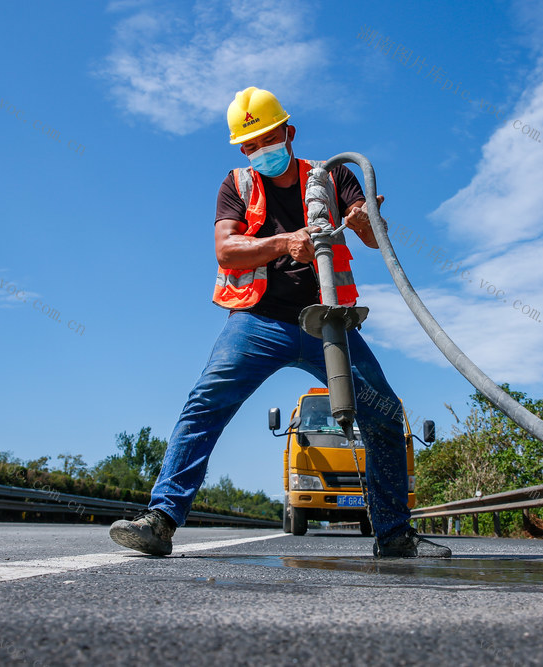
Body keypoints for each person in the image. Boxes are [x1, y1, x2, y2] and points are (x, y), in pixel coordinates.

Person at [109, 87, 450, 559]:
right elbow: (226, 249)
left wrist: (362, 217)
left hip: (327, 322)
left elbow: (374, 237)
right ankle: (161, 520)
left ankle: (393, 535)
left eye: (266, 139)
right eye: (248, 146)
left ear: (288, 133)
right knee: (204, 404)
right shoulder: (237, 185)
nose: (258, 152)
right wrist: (286, 243)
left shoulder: (331, 177)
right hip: (259, 320)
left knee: (384, 414)